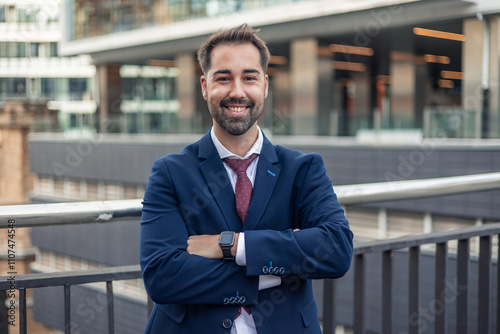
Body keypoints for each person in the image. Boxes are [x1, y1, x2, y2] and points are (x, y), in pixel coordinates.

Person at [140, 23, 353, 334]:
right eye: (223, 78)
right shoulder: (170, 172)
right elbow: (162, 277)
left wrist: (233, 246)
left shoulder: (303, 169)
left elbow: (335, 249)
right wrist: (281, 268)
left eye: (249, 78)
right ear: (204, 86)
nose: (237, 91)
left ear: (265, 85)